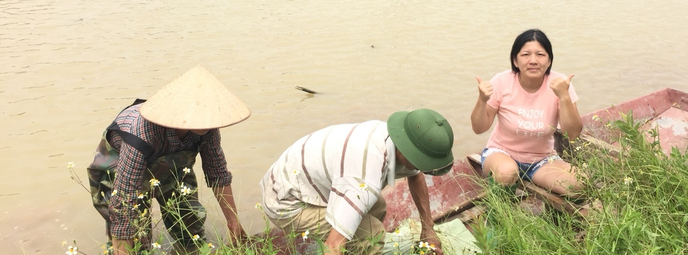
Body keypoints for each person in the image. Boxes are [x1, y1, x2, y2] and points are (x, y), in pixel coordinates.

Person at [87, 66, 251, 254]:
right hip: (120, 166)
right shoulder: (142, 132)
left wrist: (233, 221)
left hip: (169, 165)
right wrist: (123, 247)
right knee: (136, 239)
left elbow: (217, 173)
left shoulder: (207, 126)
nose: (207, 122)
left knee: (191, 233)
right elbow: (125, 196)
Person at [259, 109, 454, 255]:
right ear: (406, 151)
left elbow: (415, 173)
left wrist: (428, 227)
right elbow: (333, 247)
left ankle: (357, 244)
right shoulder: (364, 174)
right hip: (286, 203)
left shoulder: (396, 137)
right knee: (373, 233)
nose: (425, 167)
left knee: (377, 207)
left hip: (308, 182)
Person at [471, 29, 583, 196]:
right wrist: (482, 100)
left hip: (542, 160)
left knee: (578, 185)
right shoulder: (502, 82)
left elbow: (572, 134)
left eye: (540, 54)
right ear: (515, 60)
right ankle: (499, 218)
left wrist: (564, 97)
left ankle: (550, 218)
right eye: (525, 55)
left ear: (549, 60)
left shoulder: (560, 84)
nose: (533, 61)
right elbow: (479, 128)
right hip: (501, 153)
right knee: (507, 172)